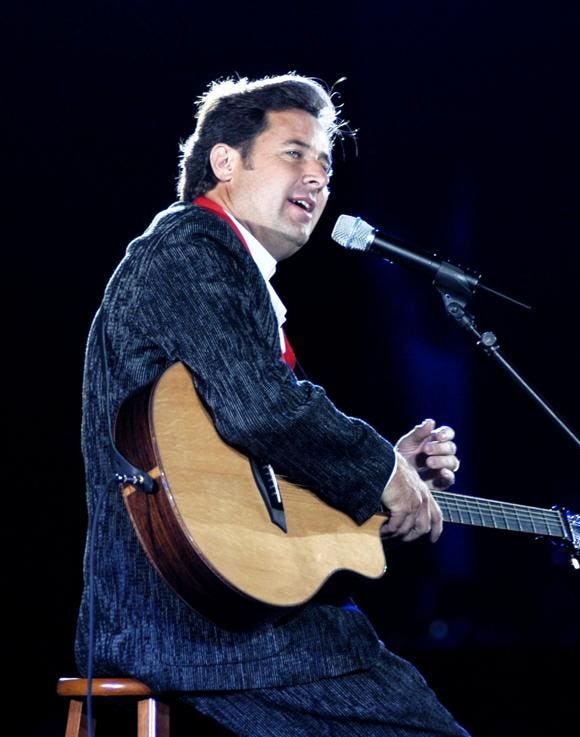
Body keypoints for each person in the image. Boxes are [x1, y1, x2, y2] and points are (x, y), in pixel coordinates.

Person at [76, 74, 471, 736]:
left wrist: (384, 474)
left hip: (213, 616)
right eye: (294, 151)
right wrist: (378, 469)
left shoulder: (226, 274)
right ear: (224, 161)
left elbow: (260, 460)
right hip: (188, 621)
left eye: (324, 160)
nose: (318, 177)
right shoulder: (190, 247)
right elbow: (260, 406)